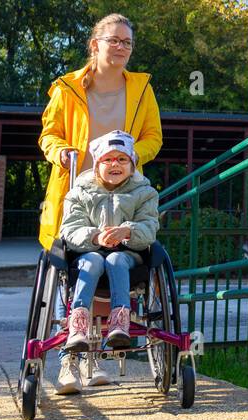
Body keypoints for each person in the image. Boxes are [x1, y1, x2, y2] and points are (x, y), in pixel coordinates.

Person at [37, 12, 162, 253]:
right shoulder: (67, 89)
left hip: (125, 195)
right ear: (96, 44)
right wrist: (61, 152)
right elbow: (49, 135)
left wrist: (133, 154)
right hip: (78, 194)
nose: (121, 47)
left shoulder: (143, 90)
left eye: (127, 42)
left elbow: (153, 137)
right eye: (114, 40)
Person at [55, 130, 160, 395]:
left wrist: (127, 231)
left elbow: (150, 228)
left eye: (122, 159)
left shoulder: (144, 192)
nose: (115, 164)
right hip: (88, 252)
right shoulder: (79, 191)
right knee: (92, 260)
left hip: (128, 254)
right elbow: (69, 229)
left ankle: (120, 324)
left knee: (115, 258)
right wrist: (95, 235)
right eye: (108, 159)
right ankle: (77, 328)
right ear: (97, 163)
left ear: (132, 164)